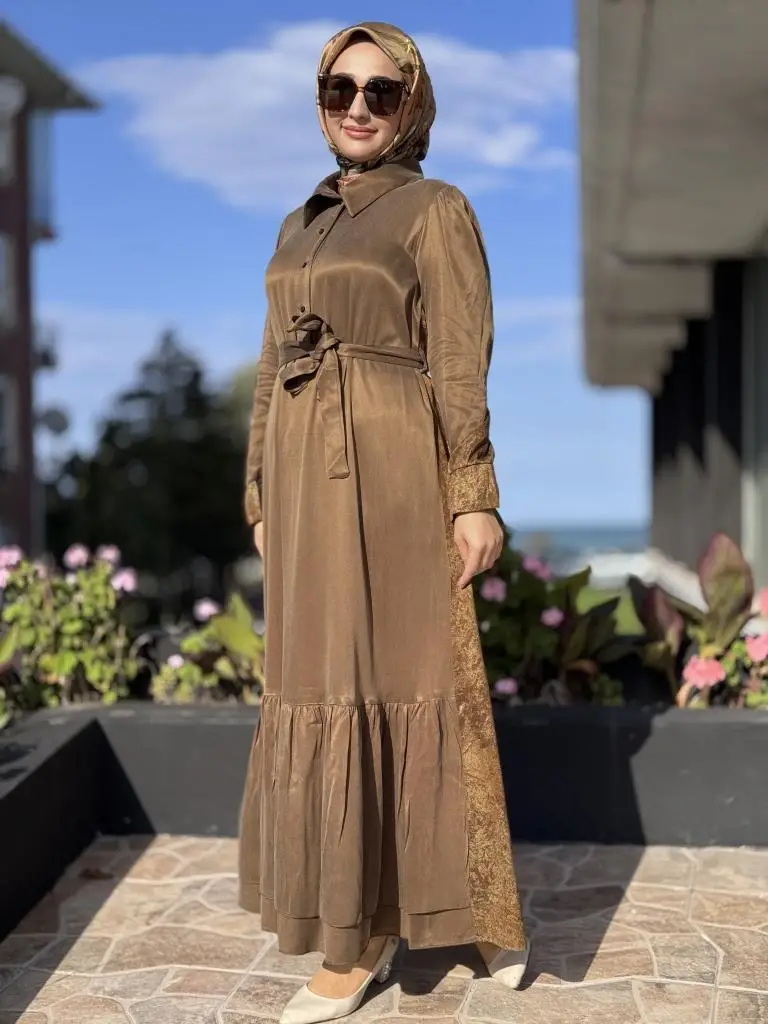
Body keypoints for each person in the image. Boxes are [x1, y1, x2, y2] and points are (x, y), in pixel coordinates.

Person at [238, 22, 529, 1024]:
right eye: (339, 89)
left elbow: (459, 356)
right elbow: (272, 366)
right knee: (319, 683)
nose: (358, 107)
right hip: (304, 484)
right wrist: (260, 490)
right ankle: (388, 909)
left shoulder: (435, 209)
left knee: (411, 675)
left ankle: (385, 933)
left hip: (394, 465)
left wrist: (472, 489)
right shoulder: (299, 222)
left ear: (413, 104)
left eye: (381, 91)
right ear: (320, 102)